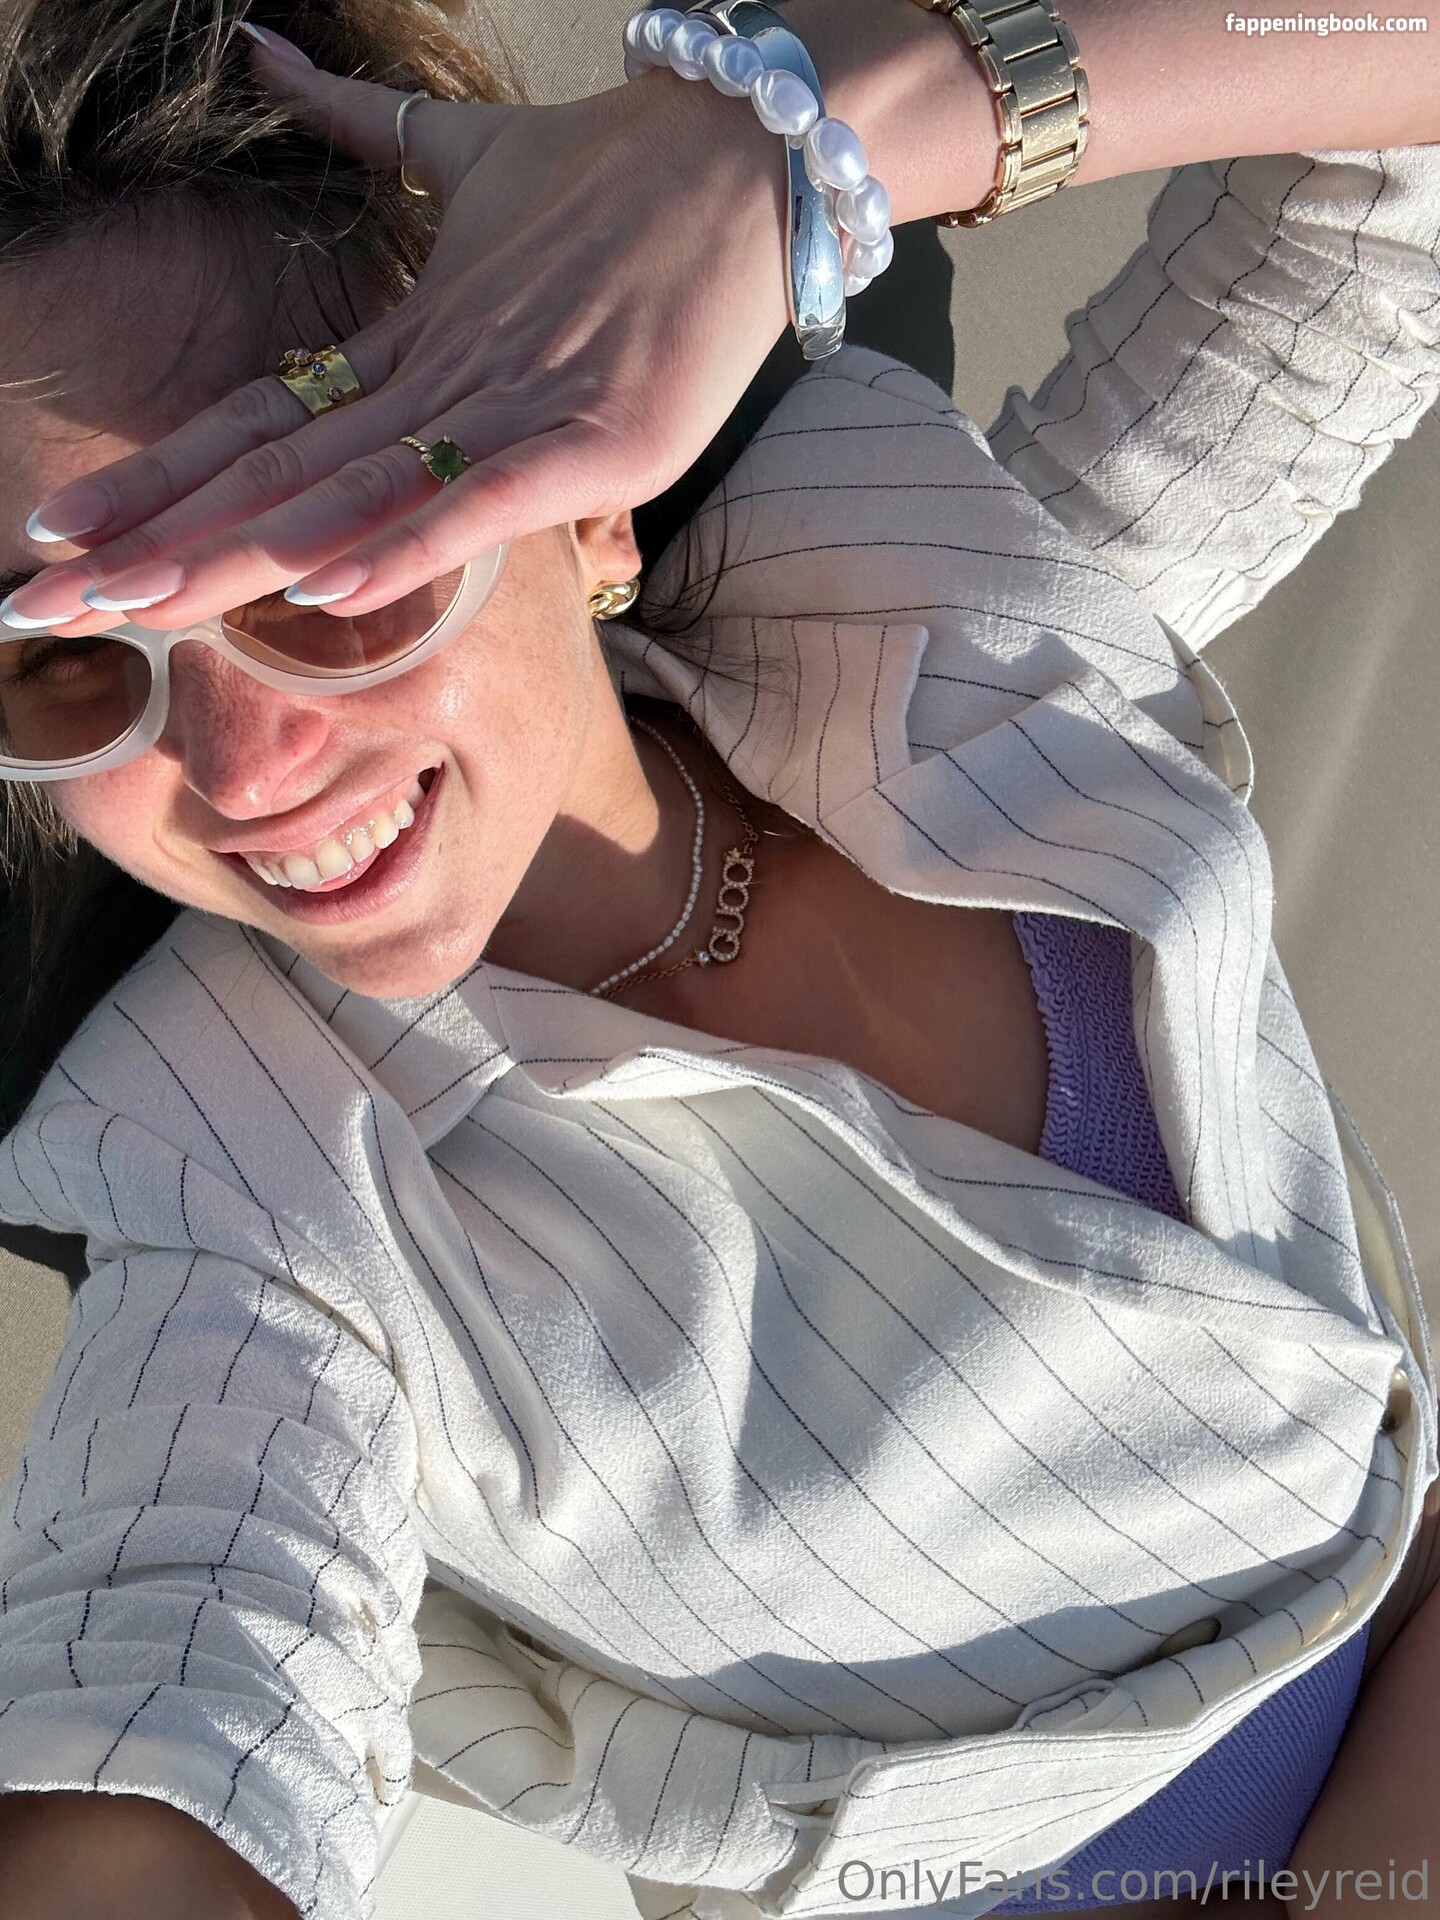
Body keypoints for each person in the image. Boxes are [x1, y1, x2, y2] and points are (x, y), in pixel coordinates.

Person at [0, 4, 1438, 1919]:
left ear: (588, 483)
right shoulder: (230, 1177)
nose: (242, 766)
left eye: (323, 550)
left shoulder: (939, 611)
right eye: (63, 656)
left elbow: (1387, 162)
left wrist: (786, 142)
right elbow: (170, 1674)